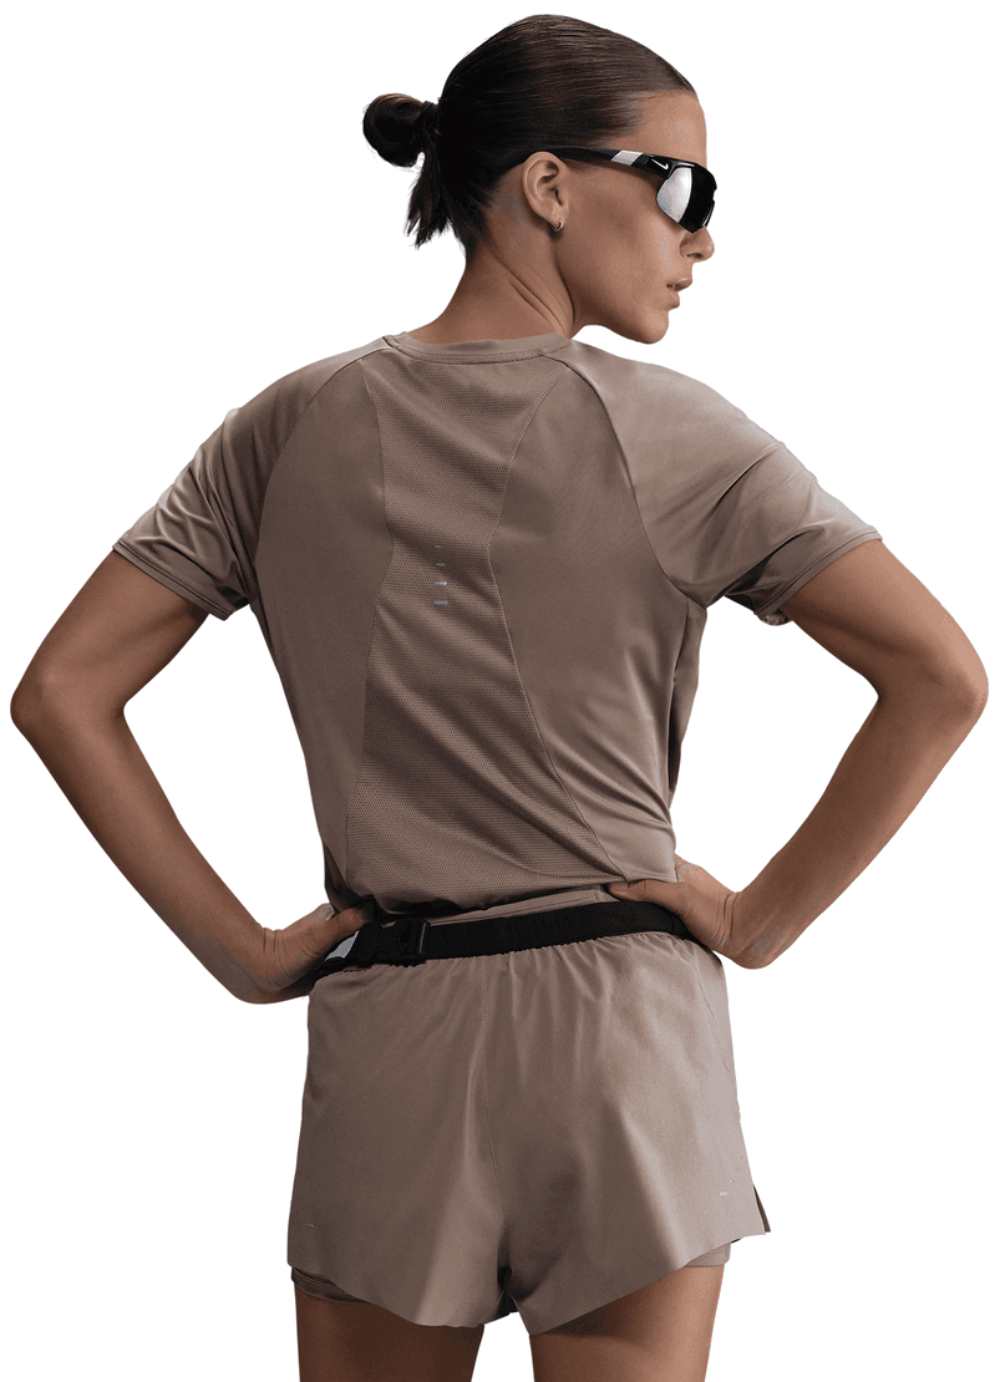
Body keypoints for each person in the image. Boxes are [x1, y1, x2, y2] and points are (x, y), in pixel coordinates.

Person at [9, 15, 987, 1382]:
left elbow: (61, 690)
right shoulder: (681, 432)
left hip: (394, 1021)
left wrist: (242, 953)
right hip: (621, 1033)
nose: (702, 237)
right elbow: (942, 674)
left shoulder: (281, 427)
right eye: (682, 187)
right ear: (548, 185)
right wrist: (758, 923)